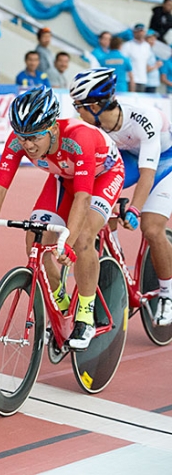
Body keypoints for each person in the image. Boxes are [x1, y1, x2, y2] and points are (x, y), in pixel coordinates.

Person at [0, 86, 125, 349]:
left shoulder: (79, 138)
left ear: (52, 128)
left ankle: (86, 315)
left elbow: (83, 198)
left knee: (83, 237)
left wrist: (69, 243)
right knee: (35, 239)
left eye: (34, 138)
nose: (27, 145)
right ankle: (61, 302)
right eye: (22, 137)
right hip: (64, 178)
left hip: (102, 177)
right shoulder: (18, 141)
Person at [70, 68, 172, 326]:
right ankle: (113, 251)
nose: (76, 112)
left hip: (164, 163)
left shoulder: (143, 119)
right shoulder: (94, 125)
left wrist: (134, 210)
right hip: (129, 159)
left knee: (150, 227)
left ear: (94, 105)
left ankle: (168, 295)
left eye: (79, 106)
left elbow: (147, 175)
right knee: (96, 206)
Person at [121, 23, 155, 93]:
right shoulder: (127, 45)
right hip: (130, 80)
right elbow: (123, 64)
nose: (140, 33)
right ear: (134, 32)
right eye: (138, 31)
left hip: (143, 80)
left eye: (142, 31)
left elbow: (146, 63)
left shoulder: (147, 46)